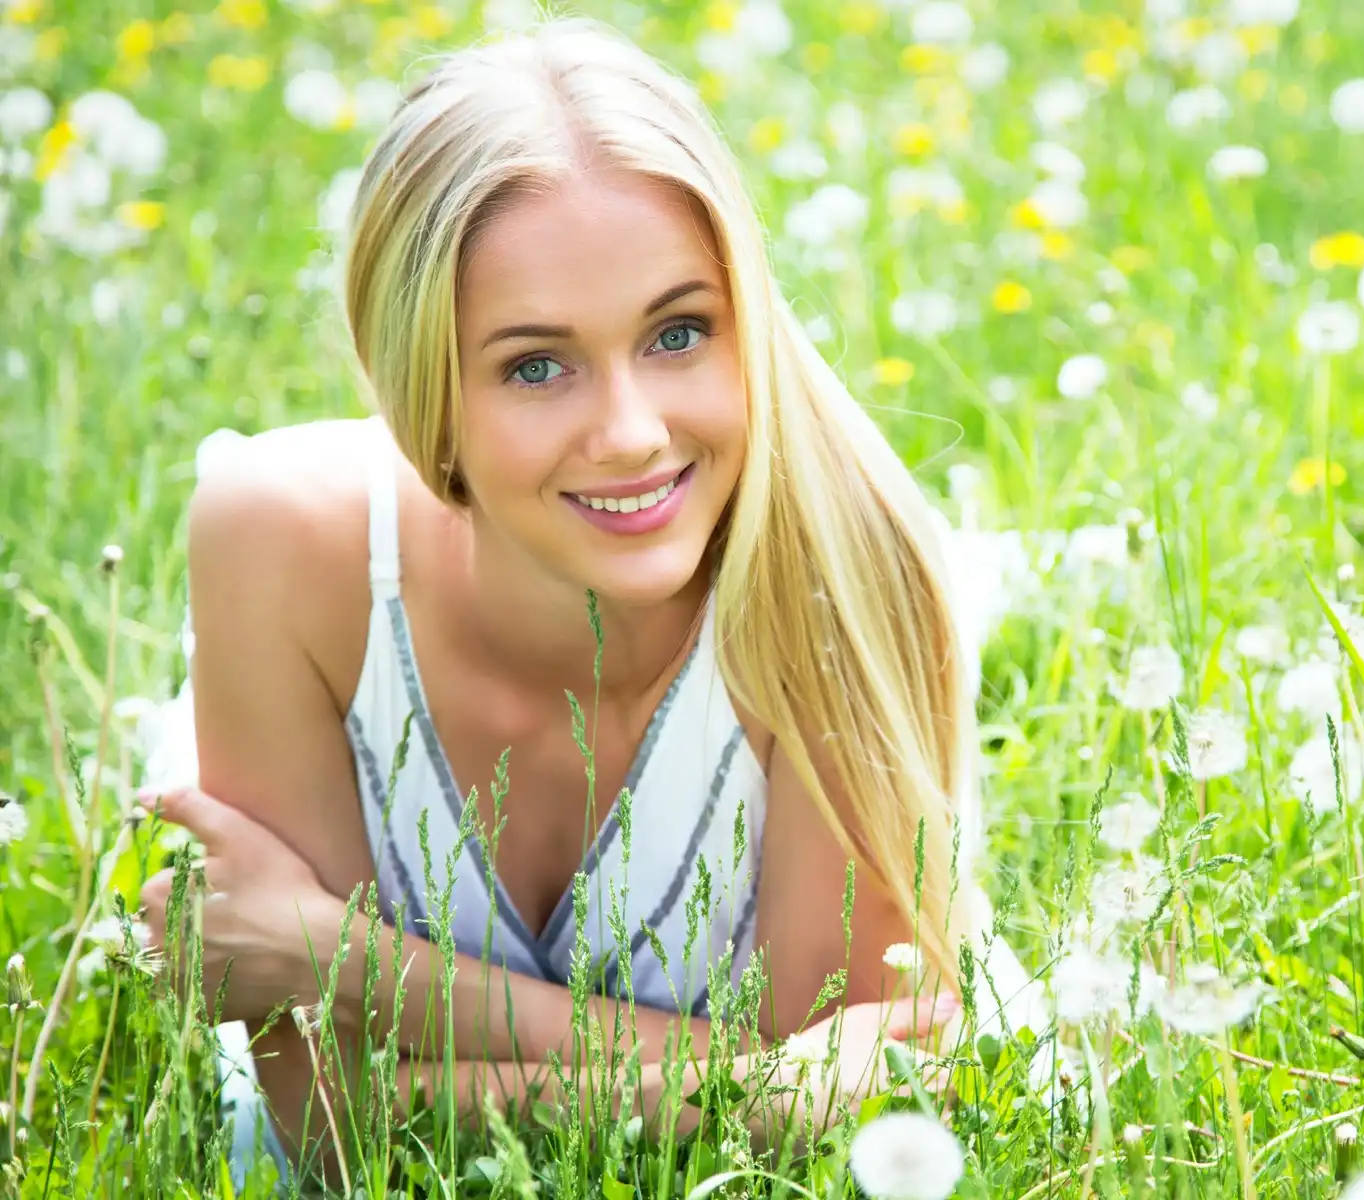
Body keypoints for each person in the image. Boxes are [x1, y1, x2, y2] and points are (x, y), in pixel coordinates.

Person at [132, 15, 1042, 1193]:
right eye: (536, 365)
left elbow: (872, 1104)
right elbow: (333, 1130)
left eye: (678, 333)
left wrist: (358, 970)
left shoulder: (845, 573)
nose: (630, 435)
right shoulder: (275, 538)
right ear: (424, 385)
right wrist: (758, 1081)